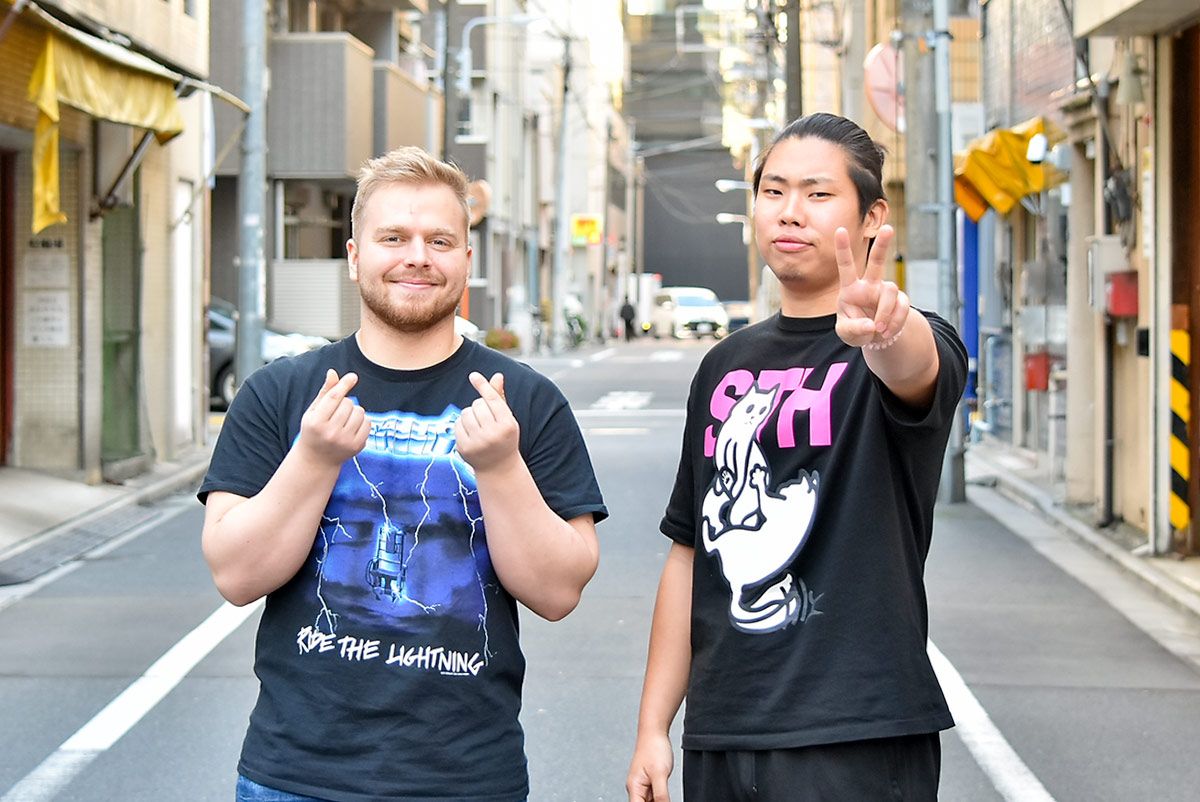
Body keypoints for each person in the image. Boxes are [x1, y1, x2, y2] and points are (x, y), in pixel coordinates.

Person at [200, 146, 607, 802]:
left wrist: (500, 466)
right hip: (295, 775)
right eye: (393, 238)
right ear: (355, 255)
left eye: (439, 241)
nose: (417, 256)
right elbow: (236, 575)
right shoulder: (279, 393)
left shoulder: (526, 401)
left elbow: (558, 592)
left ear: (465, 260)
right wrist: (314, 458)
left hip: (468, 779)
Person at [625, 113, 967, 802]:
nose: (790, 212)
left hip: (855, 733)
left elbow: (912, 369)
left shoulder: (906, 340)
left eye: (818, 193)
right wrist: (654, 727)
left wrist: (884, 330)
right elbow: (690, 552)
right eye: (774, 191)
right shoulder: (724, 365)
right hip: (724, 731)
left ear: (872, 218)